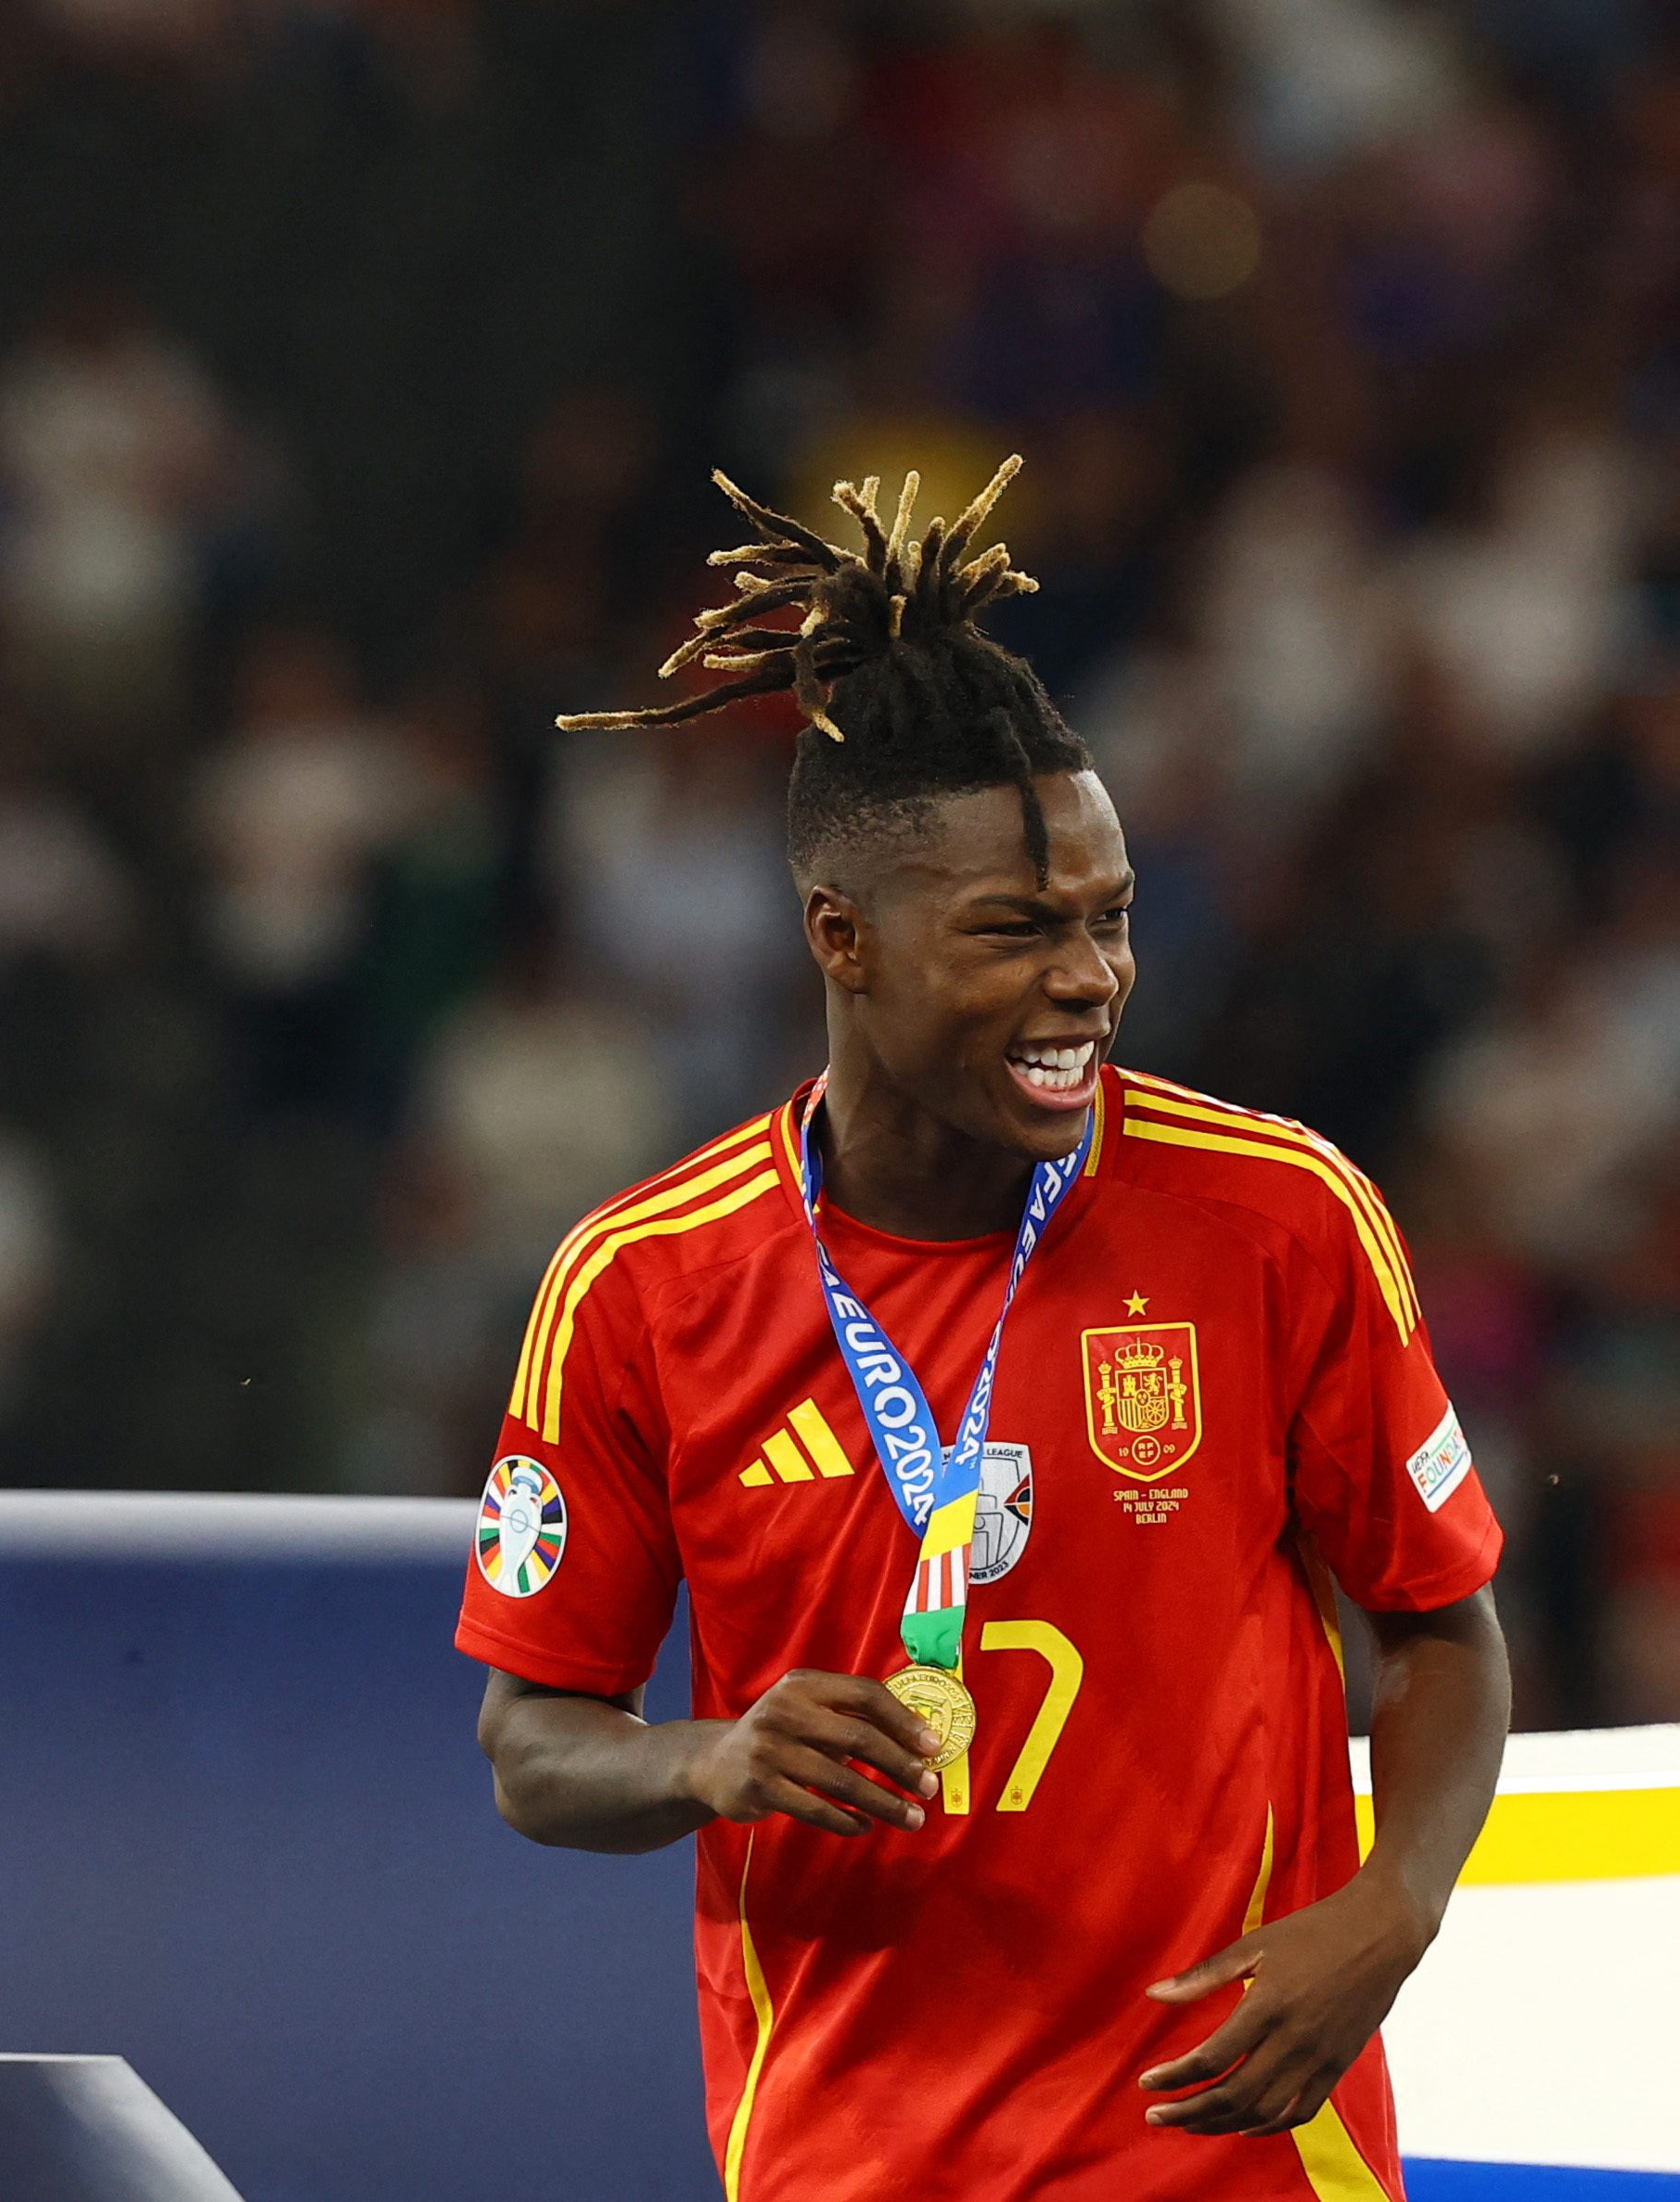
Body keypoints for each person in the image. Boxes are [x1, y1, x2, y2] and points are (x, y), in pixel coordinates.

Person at [457, 464, 1507, 2201]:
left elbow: (1444, 1631)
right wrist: (705, 1755)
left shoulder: (1277, 1215)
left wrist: (1388, 1914)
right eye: (1015, 930)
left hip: (1233, 2147)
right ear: (840, 936)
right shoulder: (643, 1284)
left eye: (1105, 919)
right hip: (848, 2156)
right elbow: (532, 1744)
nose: (1086, 977)